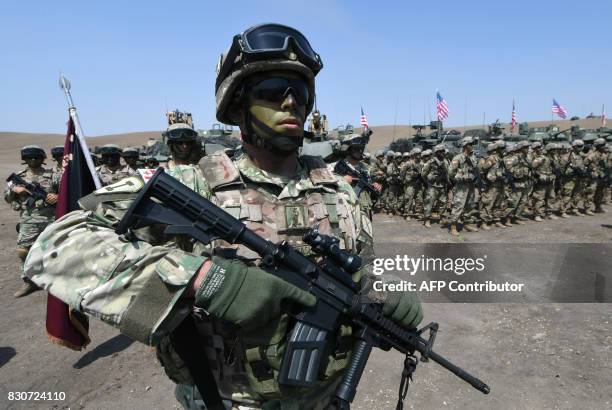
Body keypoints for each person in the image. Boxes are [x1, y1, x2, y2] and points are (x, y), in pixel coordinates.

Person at [24, 23, 422, 410]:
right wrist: (201, 279)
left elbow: (357, 274)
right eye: (272, 91)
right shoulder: (190, 184)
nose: (290, 103)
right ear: (238, 105)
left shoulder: (341, 191)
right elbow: (55, 245)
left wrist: (383, 298)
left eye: (299, 92)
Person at [4, 145, 58, 297]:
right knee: (23, 251)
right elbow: (7, 198)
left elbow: (67, 191)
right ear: (24, 159)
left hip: (52, 218)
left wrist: (58, 196)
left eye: (36, 157)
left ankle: (55, 280)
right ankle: (29, 281)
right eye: (29, 157)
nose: (33, 160)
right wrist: (13, 190)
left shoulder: (54, 174)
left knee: (56, 249)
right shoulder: (18, 178)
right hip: (29, 220)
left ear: (42, 159)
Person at [334, 134, 381, 219]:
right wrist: (341, 180)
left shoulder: (364, 167)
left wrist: (373, 186)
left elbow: (367, 185)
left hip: (365, 211)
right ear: (348, 149)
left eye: (361, 149)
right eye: (356, 149)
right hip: (347, 213)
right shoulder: (337, 166)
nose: (359, 151)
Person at [448, 137, 479, 235]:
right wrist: (461, 177)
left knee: (470, 205)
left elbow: (476, 169)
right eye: (470, 144)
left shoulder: (473, 157)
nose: (472, 146)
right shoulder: (458, 158)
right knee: (458, 205)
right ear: (465, 146)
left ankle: (467, 224)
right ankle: (453, 226)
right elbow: (451, 172)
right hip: (461, 186)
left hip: (471, 185)